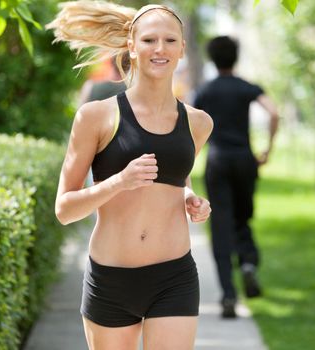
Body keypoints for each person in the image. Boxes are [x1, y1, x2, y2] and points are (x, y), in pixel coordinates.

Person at [47, 2, 213, 349]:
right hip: (111, 280)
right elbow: (64, 209)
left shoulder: (198, 123)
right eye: (150, 40)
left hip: (174, 276)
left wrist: (190, 200)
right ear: (132, 47)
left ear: (182, 48)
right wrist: (118, 181)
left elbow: (176, 179)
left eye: (170, 40)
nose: (160, 49)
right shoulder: (95, 117)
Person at [193, 36, 279, 318]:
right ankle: (248, 263)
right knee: (243, 216)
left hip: (217, 160)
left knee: (220, 224)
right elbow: (274, 112)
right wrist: (268, 148)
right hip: (245, 160)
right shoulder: (247, 87)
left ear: (212, 58)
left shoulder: (205, 90)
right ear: (236, 57)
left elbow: (190, 121)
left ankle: (229, 295)